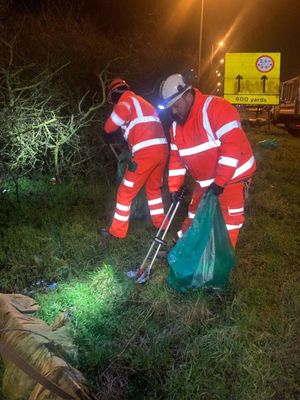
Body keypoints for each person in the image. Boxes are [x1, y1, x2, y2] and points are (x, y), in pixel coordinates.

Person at [158, 73, 256, 248]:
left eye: (176, 106)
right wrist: (175, 187)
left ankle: (217, 264)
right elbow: (176, 160)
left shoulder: (217, 109)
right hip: (205, 181)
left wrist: (220, 183)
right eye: (169, 108)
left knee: (227, 223)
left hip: (232, 179)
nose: (173, 111)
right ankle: (184, 246)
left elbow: (232, 147)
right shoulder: (175, 128)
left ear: (187, 95)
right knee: (195, 214)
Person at [101, 78, 169, 239]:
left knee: (125, 192)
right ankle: (161, 224)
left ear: (113, 94)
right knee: (153, 190)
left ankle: (117, 232)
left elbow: (110, 126)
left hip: (145, 153)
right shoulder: (143, 102)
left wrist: (105, 134)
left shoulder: (124, 102)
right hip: (162, 151)